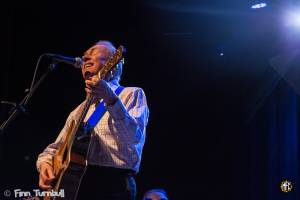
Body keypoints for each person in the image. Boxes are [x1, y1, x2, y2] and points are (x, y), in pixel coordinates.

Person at [36, 40, 149, 200]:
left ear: (113, 63)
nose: (85, 59)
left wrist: (110, 99)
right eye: (84, 57)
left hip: (112, 184)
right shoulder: (78, 111)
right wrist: (45, 164)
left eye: (94, 52)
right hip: (77, 184)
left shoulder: (131, 94)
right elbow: (54, 149)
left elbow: (133, 138)